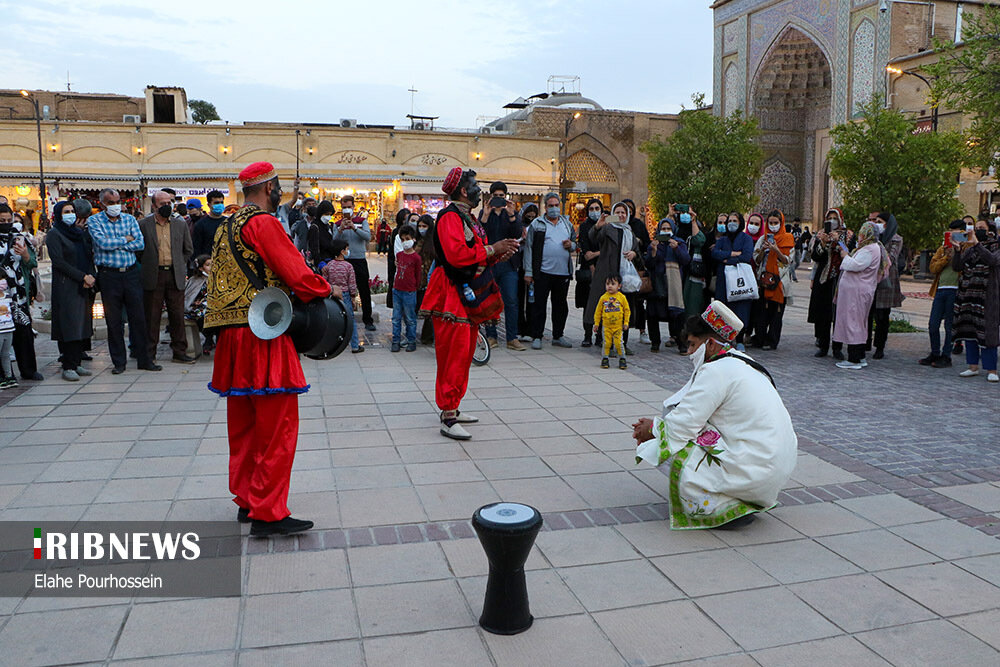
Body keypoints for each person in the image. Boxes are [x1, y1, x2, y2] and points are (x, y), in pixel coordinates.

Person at [205, 161, 332, 537]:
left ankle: (247, 500)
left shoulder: (226, 225)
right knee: (277, 426)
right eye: (278, 187)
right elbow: (295, 271)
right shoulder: (263, 222)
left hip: (231, 337)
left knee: (243, 426)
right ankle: (269, 513)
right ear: (270, 187)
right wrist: (326, 290)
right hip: (262, 333)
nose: (280, 192)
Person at [633, 300, 797, 530]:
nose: (689, 353)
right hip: (773, 469)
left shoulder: (716, 371)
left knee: (667, 446)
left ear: (709, 343)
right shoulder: (744, 362)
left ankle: (719, 504)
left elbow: (682, 426)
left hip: (757, 470)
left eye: (692, 345)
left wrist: (651, 429)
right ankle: (739, 496)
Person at [418, 167, 517, 440]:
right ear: (463, 190)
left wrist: (498, 254)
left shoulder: (468, 218)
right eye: (474, 184)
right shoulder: (450, 217)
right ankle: (448, 415)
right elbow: (458, 255)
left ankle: (454, 406)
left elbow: (475, 255)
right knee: (453, 353)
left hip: (464, 291)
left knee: (464, 352)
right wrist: (493, 249)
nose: (478, 189)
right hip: (451, 293)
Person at [87, 189, 161, 374]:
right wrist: (125, 239)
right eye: (110, 202)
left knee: (139, 318)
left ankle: (144, 359)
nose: (115, 206)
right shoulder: (94, 221)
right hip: (108, 275)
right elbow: (102, 244)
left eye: (117, 201)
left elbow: (140, 244)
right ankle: (119, 362)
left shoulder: (129, 219)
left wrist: (116, 241)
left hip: (130, 274)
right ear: (102, 203)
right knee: (114, 321)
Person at [140, 190, 196, 364]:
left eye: (169, 203)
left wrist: (179, 264)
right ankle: (149, 355)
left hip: (174, 274)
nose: (167, 206)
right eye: (163, 204)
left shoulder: (180, 224)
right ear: (154, 205)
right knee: (152, 316)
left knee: (177, 315)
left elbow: (188, 249)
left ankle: (180, 352)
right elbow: (138, 251)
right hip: (153, 275)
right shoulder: (144, 224)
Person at [46, 200, 96, 381]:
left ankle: (77, 362)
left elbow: (88, 255)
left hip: (83, 285)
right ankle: (68, 365)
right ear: (59, 214)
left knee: (81, 324)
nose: (70, 214)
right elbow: (59, 262)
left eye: (72, 211)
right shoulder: (54, 234)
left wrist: (90, 276)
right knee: (69, 325)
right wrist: (82, 276)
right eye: (66, 211)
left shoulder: (79, 233)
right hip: (67, 284)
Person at [586, 202, 644, 355]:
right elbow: (592, 238)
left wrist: (634, 254)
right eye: (617, 212)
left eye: (623, 212)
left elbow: (638, 254)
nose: (620, 215)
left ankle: (623, 343)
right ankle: (608, 344)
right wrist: (598, 226)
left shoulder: (630, 232)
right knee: (609, 310)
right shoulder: (607, 228)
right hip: (609, 276)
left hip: (625, 278)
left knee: (624, 310)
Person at [523, 192, 576, 350]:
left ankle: (558, 335)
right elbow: (529, 248)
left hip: (562, 273)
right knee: (539, 305)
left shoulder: (567, 224)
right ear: (545, 207)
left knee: (560, 306)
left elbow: (574, 242)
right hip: (543, 272)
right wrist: (528, 271)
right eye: (551, 206)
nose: (554, 208)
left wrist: (571, 246)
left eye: (556, 205)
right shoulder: (537, 224)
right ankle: (537, 335)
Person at [832, 222, 889, 370]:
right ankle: (860, 355)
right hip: (857, 291)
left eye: (863, 232)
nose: (861, 235)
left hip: (857, 292)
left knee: (854, 322)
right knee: (858, 322)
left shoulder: (870, 249)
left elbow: (855, 265)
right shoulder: (869, 247)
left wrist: (845, 256)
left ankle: (854, 358)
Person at [952, 218, 1000, 383]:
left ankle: (992, 369)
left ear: (990, 230)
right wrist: (958, 250)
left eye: (981, 228)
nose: (978, 230)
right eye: (975, 227)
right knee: (969, 331)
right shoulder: (971, 249)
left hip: (987, 296)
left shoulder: (996, 245)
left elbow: (992, 260)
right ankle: (972, 366)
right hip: (968, 295)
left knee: (988, 333)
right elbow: (957, 267)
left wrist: (977, 244)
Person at [480, 181, 525, 350]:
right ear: (490, 196)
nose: (498, 199)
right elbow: (480, 235)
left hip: (508, 264)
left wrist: (512, 215)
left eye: (501, 196)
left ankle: (512, 338)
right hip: (490, 263)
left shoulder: (511, 214)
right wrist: (485, 215)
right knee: (490, 300)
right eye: (495, 196)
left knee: (511, 301)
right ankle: (491, 336)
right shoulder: (485, 213)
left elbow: (517, 234)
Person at [0, 204, 41, 381]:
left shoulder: (19, 238)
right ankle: (5, 375)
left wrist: (25, 254)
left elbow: (32, 262)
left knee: (24, 332)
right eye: (2, 221)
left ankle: (29, 369)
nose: (6, 224)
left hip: (19, 295)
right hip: (1, 297)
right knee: (2, 336)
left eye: (9, 220)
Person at [919, 220, 966, 368]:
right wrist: (946, 256)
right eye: (950, 231)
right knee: (933, 324)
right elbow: (933, 268)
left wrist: (958, 251)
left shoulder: (966, 248)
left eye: (956, 232)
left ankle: (946, 355)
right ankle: (935, 352)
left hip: (955, 290)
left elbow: (963, 267)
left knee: (949, 326)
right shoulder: (942, 249)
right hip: (940, 289)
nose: (952, 234)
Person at [710, 211, 755, 351]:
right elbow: (715, 253)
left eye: (735, 220)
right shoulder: (722, 240)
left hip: (739, 280)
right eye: (730, 220)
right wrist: (733, 254)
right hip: (723, 281)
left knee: (740, 310)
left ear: (740, 222)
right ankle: (725, 340)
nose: (731, 223)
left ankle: (740, 340)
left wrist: (727, 260)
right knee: (723, 310)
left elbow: (747, 256)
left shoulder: (746, 238)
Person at [645, 217, 690, 353]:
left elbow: (686, 260)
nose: (666, 231)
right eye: (663, 229)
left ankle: (681, 343)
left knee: (676, 314)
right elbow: (649, 263)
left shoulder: (679, 242)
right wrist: (653, 251)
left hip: (673, 283)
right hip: (657, 283)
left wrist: (676, 248)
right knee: (652, 313)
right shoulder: (654, 243)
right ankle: (655, 342)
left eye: (668, 228)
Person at [751, 210, 794, 350]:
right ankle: (759, 338)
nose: (773, 225)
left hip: (779, 281)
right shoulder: (763, 239)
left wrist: (776, 250)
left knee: (776, 314)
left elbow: (788, 261)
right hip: (764, 280)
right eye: (771, 223)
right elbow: (756, 259)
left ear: (781, 223)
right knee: (762, 313)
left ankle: (772, 340)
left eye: (776, 223)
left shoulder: (788, 238)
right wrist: (764, 250)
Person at [809, 209, 849, 359]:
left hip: (840, 279)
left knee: (838, 314)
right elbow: (815, 256)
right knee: (823, 314)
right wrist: (823, 243)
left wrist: (839, 241)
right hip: (823, 279)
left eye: (835, 218)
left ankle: (837, 347)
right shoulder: (820, 235)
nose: (832, 221)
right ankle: (823, 345)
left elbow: (849, 253)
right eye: (829, 218)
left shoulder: (848, 235)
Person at [333, 194, 375, 331]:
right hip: (343, 261)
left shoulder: (361, 221)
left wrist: (355, 228)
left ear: (354, 207)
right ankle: (343, 318)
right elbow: (333, 241)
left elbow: (368, 237)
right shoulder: (337, 223)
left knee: (364, 290)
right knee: (343, 290)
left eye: (349, 207)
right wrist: (340, 229)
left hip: (359, 259)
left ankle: (368, 320)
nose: (347, 209)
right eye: (344, 207)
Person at [868, 212, 905, 359]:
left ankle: (880, 346)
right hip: (871, 280)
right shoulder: (872, 239)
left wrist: (876, 248)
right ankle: (865, 342)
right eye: (875, 221)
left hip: (886, 281)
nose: (877, 224)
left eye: (880, 221)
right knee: (868, 313)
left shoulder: (896, 239)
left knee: (882, 316)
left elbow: (891, 257)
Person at [321, 240, 363, 354]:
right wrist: (353, 297)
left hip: (333, 295)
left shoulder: (329, 265)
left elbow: (325, 281)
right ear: (342, 251)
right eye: (346, 249)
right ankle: (355, 345)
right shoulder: (348, 266)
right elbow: (352, 284)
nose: (348, 251)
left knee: (333, 320)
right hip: (345, 295)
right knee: (350, 320)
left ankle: (331, 346)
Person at [622, 198, 651, 345]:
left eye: (629, 209)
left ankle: (642, 330)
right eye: (623, 208)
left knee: (638, 302)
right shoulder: (616, 225)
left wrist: (638, 242)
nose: (627, 211)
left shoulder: (638, 225)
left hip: (636, 267)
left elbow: (647, 244)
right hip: (620, 268)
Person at [390, 225, 422, 353]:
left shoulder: (416, 258)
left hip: (409, 291)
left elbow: (418, 275)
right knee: (396, 318)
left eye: (407, 239)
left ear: (413, 239)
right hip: (397, 289)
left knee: (410, 318)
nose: (404, 242)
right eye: (402, 239)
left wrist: (415, 287)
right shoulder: (399, 255)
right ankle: (396, 341)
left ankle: (411, 340)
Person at [577, 199, 602, 347]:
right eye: (591, 208)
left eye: (597, 208)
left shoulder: (606, 225)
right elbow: (586, 252)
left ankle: (599, 336)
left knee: (603, 303)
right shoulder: (584, 226)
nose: (594, 211)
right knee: (588, 304)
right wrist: (592, 263)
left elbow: (607, 247)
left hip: (604, 268)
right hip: (588, 269)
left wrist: (597, 253)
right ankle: (587, 335)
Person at [594, 274, 630, 369]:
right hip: (606, 326)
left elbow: (627, 310)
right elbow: (598, 312)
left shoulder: (622, 297)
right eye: (607, 284)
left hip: (618, 326)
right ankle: (605, 358)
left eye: (613, 284)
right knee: (606, 343)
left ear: (619, 286)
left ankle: (622, 358)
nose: (610, 286)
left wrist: (626, 322)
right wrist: (596, 323)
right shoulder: (603, 298)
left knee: (619, 343)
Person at [184, 254, 215, 355]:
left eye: (212, 264)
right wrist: (195, 302)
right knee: (198, 315)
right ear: (201, 268)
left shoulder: (217, 279)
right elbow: (189, 295)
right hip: (199, 308)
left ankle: (210, 339)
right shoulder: (195, 280)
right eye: (208, 265)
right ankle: (208, 338)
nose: (211, 267)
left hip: (213, 307)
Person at [681, 207, 709, 318]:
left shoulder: (697, 235)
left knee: (692, 308)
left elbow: (699, 240)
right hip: (678, 274)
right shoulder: (678, 230)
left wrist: (693, 221)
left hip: (693, 276)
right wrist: (671, 214)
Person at [415, 215, 437, 345]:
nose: (421, 229)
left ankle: (428, 336)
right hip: (418, 281)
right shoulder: (416, 241)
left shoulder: (433, 242)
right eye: (420, 226)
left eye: (424, 226)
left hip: (430, 280)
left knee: (430, 310)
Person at [192, 190, 226, 259]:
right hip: (208, 263)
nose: (220, 205)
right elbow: (196, 248)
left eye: (221, 202)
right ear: (209, 205)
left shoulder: (228, 222)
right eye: (216, 203)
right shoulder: (200, 225)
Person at [0, 279, 15, 388]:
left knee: (6, 354)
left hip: (9, 329)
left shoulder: (8, 297)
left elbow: (13, 310)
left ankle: (8, 376)